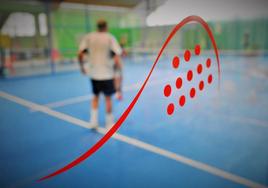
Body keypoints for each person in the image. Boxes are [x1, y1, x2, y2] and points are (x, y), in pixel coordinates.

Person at [78, 20, 122, 129]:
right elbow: (117, 57)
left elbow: (80, 54)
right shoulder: (110, 37)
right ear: (106, 27)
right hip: (107, 74)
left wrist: (82, 67)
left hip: (94, 74)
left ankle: (93, 122)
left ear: (97, 27)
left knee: (95, 97)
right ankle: (109, 124)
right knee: (108, 98)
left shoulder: (89, 37)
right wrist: (117, 70)